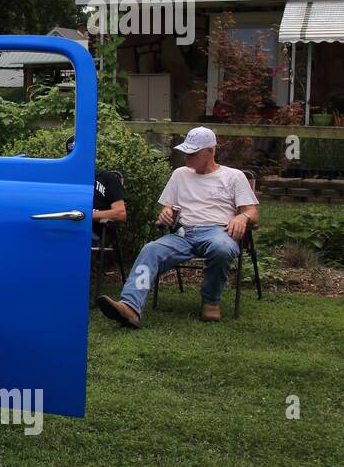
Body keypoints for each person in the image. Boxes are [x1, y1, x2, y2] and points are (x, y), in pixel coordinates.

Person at [96, 126, 258, 328]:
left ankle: (211, 301)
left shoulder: (233, 176)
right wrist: (166, 213)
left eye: (193, 154)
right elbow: (169, 208)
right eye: (186, 153)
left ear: (210, 151)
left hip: (218, 232)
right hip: (183, 233)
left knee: (222, 248)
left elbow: (252, 212)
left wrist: (242, 217)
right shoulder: (180, 174)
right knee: (151, 249)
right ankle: (130, 307)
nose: (187, 159)